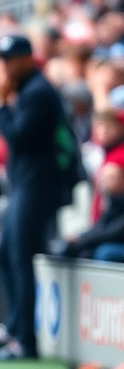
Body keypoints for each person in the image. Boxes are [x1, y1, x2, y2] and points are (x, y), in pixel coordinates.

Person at [0, 34, 69, 362]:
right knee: (6, 254)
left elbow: (18, 137)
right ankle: (15, 326)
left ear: (25, 59)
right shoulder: (30, 90)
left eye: (8, 59)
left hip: (38, 187)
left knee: (19, 257)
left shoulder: (38, 92)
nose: (2, 66)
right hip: (25, 185)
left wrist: (1, 106)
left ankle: (25, 341)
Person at [58, 106, 124, 262]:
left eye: (113, 176)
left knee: (103, 253)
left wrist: (82, 242)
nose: (106, 181)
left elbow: (116, 230)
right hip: (103, 224)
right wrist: (81, 239)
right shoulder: (116, 200)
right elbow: (105, 222)